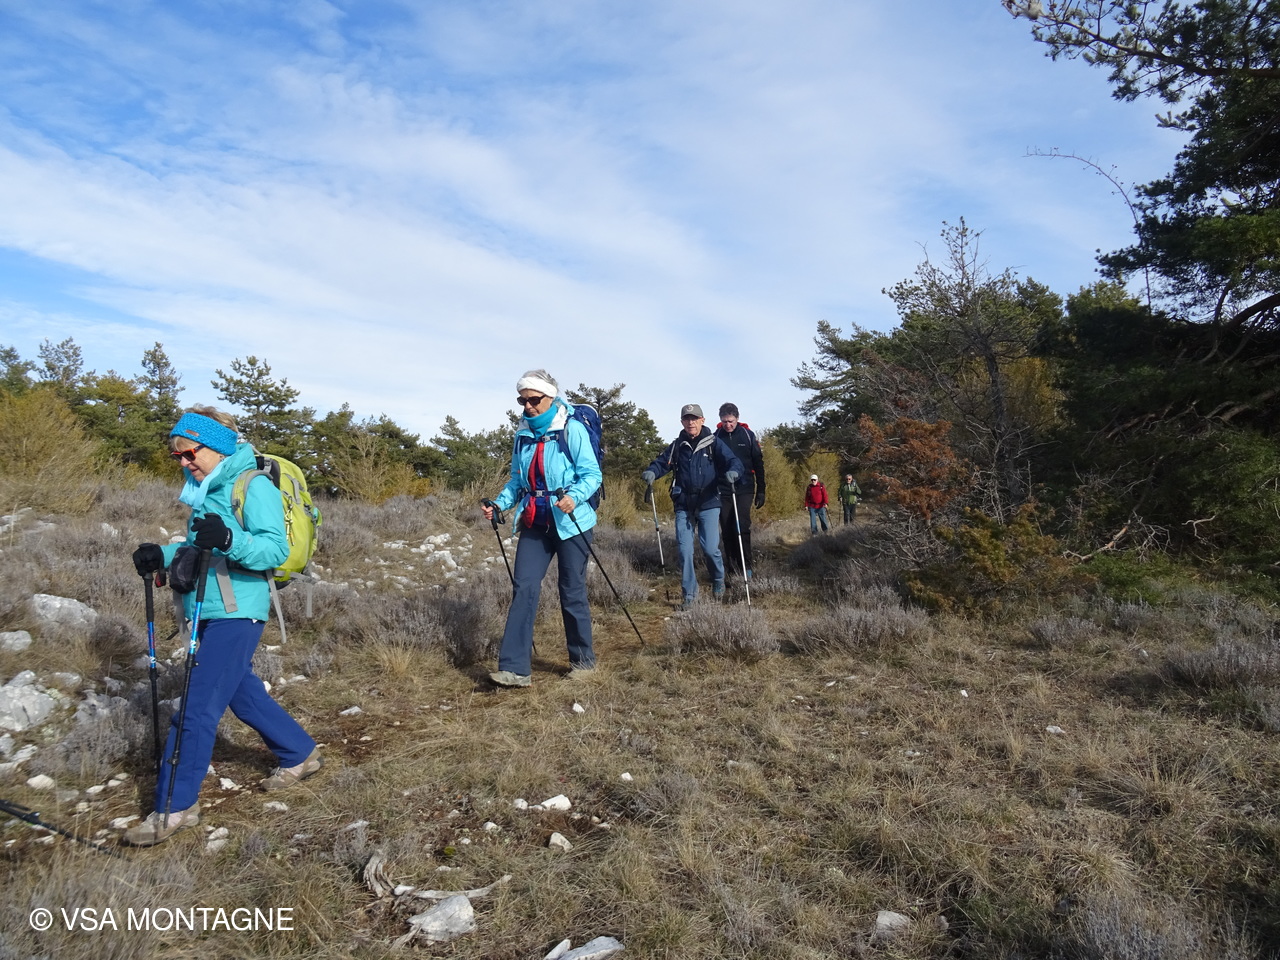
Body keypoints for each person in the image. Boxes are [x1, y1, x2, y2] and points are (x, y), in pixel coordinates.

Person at [127, 406, 321, 846]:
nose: (184, 462)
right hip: (206, 608)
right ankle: (299, 752)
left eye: (189, 453)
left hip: (238, 611)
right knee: (240, 692)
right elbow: (200, 549)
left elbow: (273, 550)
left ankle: (174, 806)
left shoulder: (252, 485)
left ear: (214, 447)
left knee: (196, 708)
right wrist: (161, 554)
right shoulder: (206, 489)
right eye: (177, 456)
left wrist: (231, 540)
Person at [483, 370, 603, 688]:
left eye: (533, 399)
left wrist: (574, 497)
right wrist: (499, 504)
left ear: (550, 397)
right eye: (522, 400)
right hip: (535, 521)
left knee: (571, 590)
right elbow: (516, 480)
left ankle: (583, 662)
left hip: (571, 523)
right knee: (524, 587)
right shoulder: (522, 434)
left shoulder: (571, 428)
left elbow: (592, 474)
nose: (528, 406)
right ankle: (514, 669)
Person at [643, 404, 744, 609]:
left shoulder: (713, 443)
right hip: (684, 504)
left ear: (702, 420)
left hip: (709, 502)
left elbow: (733, 461)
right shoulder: (677, 445)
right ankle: (689, 595)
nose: (691, 422)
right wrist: (652, 471)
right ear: (682, 422)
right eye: (687, 419)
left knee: (710, 549)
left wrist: (734, 472)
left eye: (694, 418)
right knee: (684, 550)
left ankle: (718, 579)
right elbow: (661, 463)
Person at [714, 403, 766, 580]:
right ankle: (732, 566)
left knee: (741, 525)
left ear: (737, 418)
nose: (728, 425)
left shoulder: (747, 435)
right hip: (723, 489)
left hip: (745, 487)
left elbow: (758, 463)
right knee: (727, 528)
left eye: (731, 421)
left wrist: (761, 490)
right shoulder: (716, 437)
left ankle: (746, 565)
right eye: (724, 421)